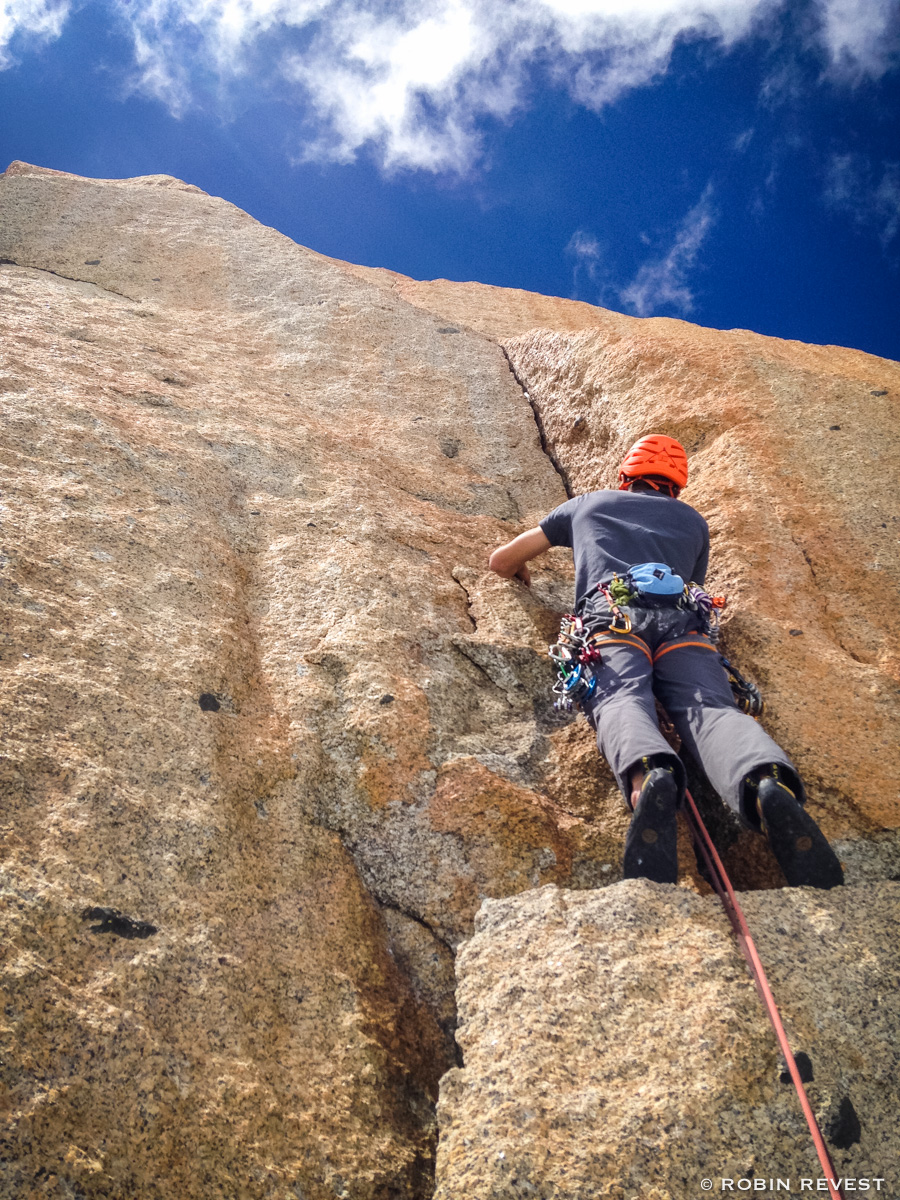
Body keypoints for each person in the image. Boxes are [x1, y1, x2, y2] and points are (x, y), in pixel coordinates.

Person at [488, 433, 844, 889]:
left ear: (625, 476)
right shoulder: (693, 522)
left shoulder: (587, 504)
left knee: (620, 697)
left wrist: (522, 569)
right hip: (683, 624)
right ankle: (764, 785)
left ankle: (648, 774)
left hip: (612, 618)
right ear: (677, 487)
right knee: (712, 709)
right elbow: (688, 586)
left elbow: (501, 561)